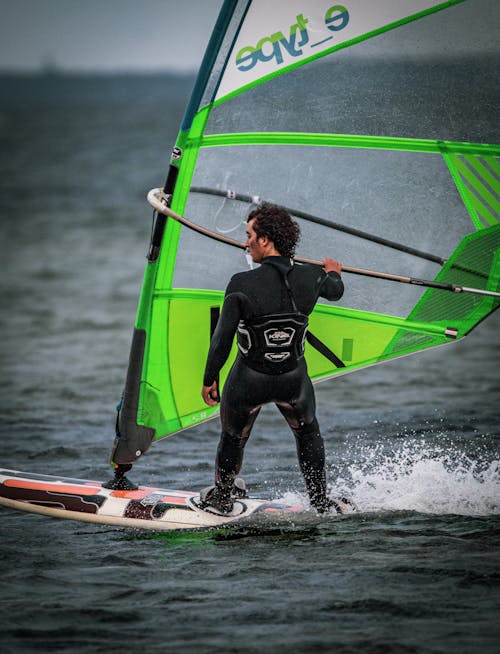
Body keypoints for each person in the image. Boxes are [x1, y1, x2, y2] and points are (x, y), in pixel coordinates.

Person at [199, 202, 344, 515]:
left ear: (265, 240)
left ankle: (223, 497)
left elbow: (221, 339)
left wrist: (210, 378)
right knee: (308, 431)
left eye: (249, 235)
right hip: (293, 380)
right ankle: (320, 501)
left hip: (249, 380)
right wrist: (332, 271)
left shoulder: (241, 284)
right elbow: (335, 290)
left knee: (233, 437)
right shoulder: (312, 278)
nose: (245, 242)